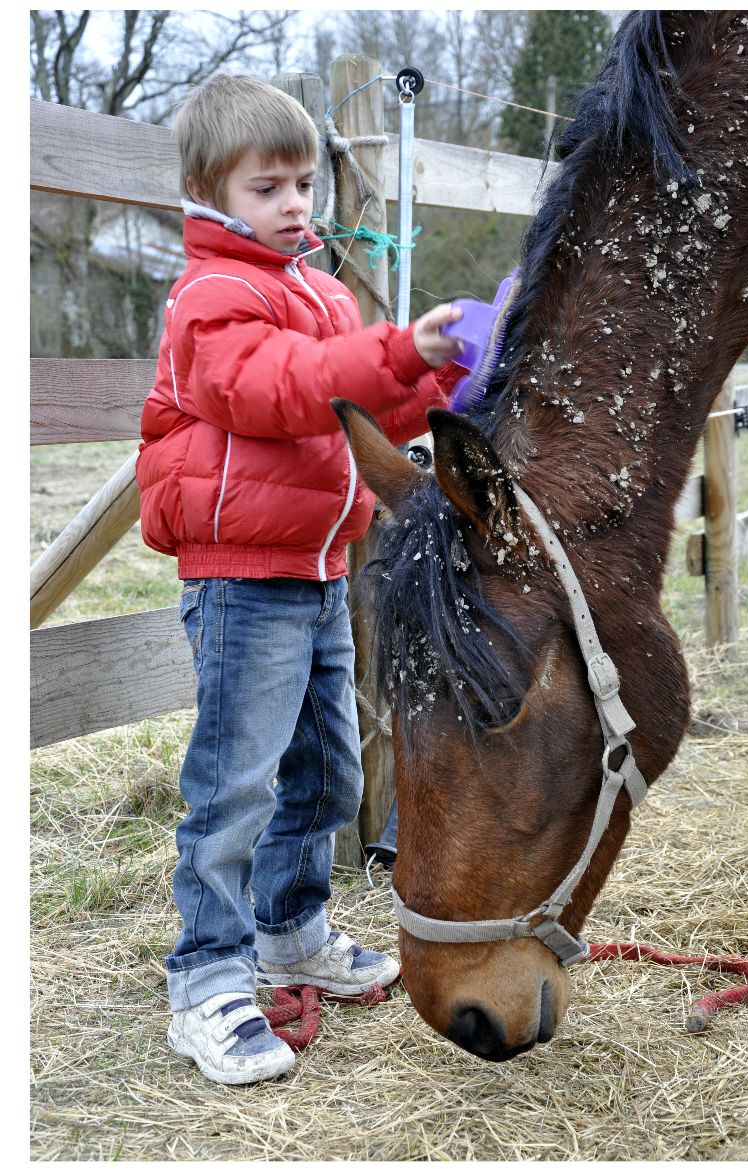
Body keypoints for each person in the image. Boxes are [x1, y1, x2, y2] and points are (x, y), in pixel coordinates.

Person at [136, 73, 462, 1086]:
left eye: (304, 184)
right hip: (245, 580)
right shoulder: (211, 299)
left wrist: (443, 374)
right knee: (234, 784)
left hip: (320, 572)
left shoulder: (322, 292)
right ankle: (206, 977)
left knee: (328, 773)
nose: (293, 205)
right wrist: (392, 344)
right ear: (206, 194)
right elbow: (276, 389)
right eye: (266, 187)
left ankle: (291, 931)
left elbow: (362, 408)